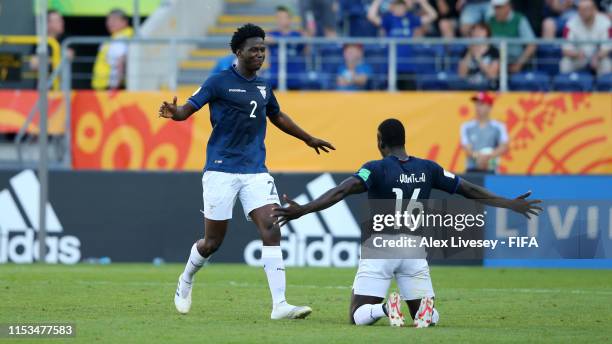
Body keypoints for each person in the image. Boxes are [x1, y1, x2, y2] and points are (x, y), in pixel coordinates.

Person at [272, 118, 541, 327]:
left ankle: (387, 309)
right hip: (414, 250)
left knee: (357, 315)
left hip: (380, 248)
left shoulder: (375, 168)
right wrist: (509, 203)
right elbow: (469, 189)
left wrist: (304, 209)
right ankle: (425, 312)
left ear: (380, 142)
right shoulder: (429, 169)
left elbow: (342, 190)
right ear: (404, 140)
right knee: (427, 315)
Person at [158, 24, 335, 320]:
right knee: (212, 243)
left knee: (271, 227)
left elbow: (276, 115)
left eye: (263, 49)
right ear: (238, 52)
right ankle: (186, 279)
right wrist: (173, 113)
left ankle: (280, 305)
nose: (260, 54)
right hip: (220, 170)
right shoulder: (218, 82)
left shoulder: (264, 87)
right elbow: (186, 110)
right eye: (254, 49)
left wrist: (308, 138)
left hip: (255, 170)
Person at [367, 0, 438, 90]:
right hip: (391, 66)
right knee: (390, 97)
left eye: (402, 7)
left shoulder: (410, 19)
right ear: (393, 8)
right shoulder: (389, 19)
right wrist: (377, 2)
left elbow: (433, 15)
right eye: (397, 7)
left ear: (406, 8)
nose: (399, 9)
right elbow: (371, 16)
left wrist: (423, 3)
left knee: (409, 97)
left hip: (407, 66)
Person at [460, 92, 509, 173]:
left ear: (489, 107)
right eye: (476, 104)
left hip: (492, 170)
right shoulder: (466, 126)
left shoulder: (499, 126)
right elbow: (467, 148)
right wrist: (477, 156)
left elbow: (504, 147)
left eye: (481, 104)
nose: (478, 107)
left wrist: (487, 157)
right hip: (471, 170)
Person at [560, 0, 611, 75]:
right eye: (580, 9)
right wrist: (576, 54)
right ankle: (567, 85)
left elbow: (606, 48)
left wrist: (597, 56)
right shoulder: (570, 24)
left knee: (606, 63)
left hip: (598, 57)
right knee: (565, 63)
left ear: (594, 10)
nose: (582, 12)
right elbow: (565, 49)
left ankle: (603, 86)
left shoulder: (605, 23)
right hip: (579, 57)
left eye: (586, 9)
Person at [486, 0, 536, 73]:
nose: (496, 10)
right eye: (494, 7)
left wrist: (519, 64)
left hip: (515, 61)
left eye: (499, 7)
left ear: (508, 6)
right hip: (495, 63)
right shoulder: (490, 20)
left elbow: (532, 45)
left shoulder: (519, 19)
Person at [91, 9, 134, 90]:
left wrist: (114, 87)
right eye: (108, 20)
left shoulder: (121, 37)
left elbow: (120, 62)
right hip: (106, 86)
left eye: (114, 19)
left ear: (125, 22)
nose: (110, 23)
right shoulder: (116, 36)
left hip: (110, 87)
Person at [266, 5, 306, 89]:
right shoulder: (271, 35)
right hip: (275, 78)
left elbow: (306, 51)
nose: (281, 20)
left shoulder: (297, 35)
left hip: (294, 79)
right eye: (279, 17)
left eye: (283, 17)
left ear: (289, 19)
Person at [458, 23, 500, 90]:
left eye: (481, 30)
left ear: (487, 33)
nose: (477, 33)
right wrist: (469, 53)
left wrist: (479, 58)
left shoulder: (494, 51)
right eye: (474, 30)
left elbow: (492, 75)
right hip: (469, 88)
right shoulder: (466, 51)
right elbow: (461, 75)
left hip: (488, 88)